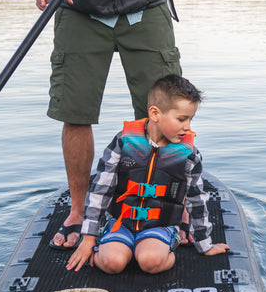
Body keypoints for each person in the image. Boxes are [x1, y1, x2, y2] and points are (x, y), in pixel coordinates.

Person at [24, 0, 208, 250]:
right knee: (75, 110)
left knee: (164, 115)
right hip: (79, 0)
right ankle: (79, 212)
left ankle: (169, 209)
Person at [66, 75, 229, 274]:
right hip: (121, 223)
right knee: (112, 264)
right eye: (181, 119)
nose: (188, 127)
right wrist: (88, 239)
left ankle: (166, 243)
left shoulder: (189, 154)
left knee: (149, 261)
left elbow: (196, 200)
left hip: (160, 225)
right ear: (154, 113)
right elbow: (100, 189)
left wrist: (205, 245)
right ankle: (113, 245)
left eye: (190, 119)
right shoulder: (123, 141)